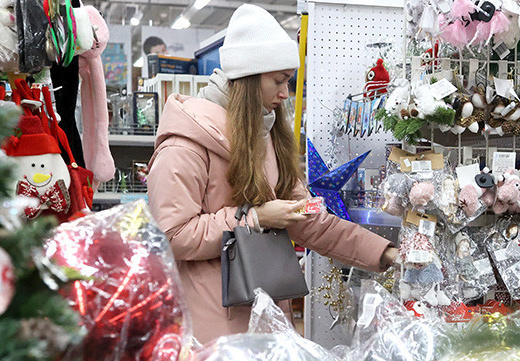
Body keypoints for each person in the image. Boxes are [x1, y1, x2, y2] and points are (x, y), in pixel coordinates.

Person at [147, 4, 397, 343]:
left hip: (265, 318)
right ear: (249, 78)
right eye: (278, 81)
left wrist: (384, 253)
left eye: (288, 82)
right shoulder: (186, 144)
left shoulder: (265, 135)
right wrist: (255, 218)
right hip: (210, 332)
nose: (285, 93)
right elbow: (172, 235)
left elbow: (308, 218)